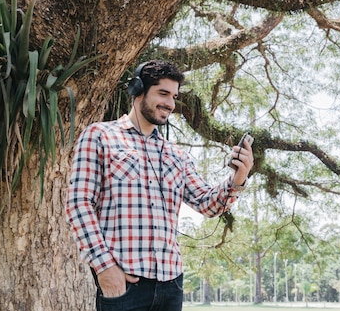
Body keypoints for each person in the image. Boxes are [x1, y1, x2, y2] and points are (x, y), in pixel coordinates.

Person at [66, 59, 254, 311]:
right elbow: (79, 204)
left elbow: (207, 204)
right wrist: (104, 267)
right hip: (124, 286)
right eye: (163, 93)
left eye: (174, 96)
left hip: (170, 285)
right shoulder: (99, 136)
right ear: (137, 90)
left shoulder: (177, 155)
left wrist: (237, 179)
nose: (170, 103)